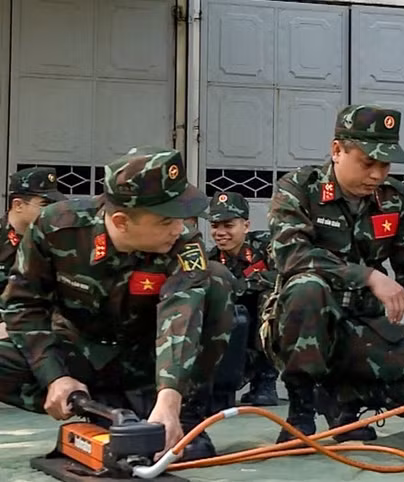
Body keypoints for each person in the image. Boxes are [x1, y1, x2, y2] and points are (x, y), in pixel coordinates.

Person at [0, 146, 236, 462]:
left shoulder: (183, 242)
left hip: (148, 363)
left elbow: (183, 311)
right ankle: (101, 409)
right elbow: (23, 305)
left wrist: (170, 398)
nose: (179, 228)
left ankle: (181, 421)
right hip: (78, 358)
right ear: (122, 221)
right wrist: (54, 376)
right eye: (166, 220)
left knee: (216, 281)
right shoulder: (57, 228)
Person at [266, 104, 404, 444]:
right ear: (337, 151)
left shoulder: (394, 198)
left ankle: (345, 399)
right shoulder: (300, 188)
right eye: (367, 162)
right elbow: (292, 256)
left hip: (363, 329)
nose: (377, 174)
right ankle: (301, 413)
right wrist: (369, 277)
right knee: (307, 287)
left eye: (385, 164)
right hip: (304, 325)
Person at [207, 191, 279, 407]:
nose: (220, 233)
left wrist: (245, 285)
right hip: (235, 329)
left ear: (246, 226)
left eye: (228, 226)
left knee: (269, 299)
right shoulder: (210, 260)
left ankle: (265, 381)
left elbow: (286, 275)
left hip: (266, 321)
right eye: (215, 226)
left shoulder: (266, 246)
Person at [0, 167, 67, 295]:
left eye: (55, 205)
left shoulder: (54, 240)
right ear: (18, 205)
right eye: (45, 205)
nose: (52, 211)